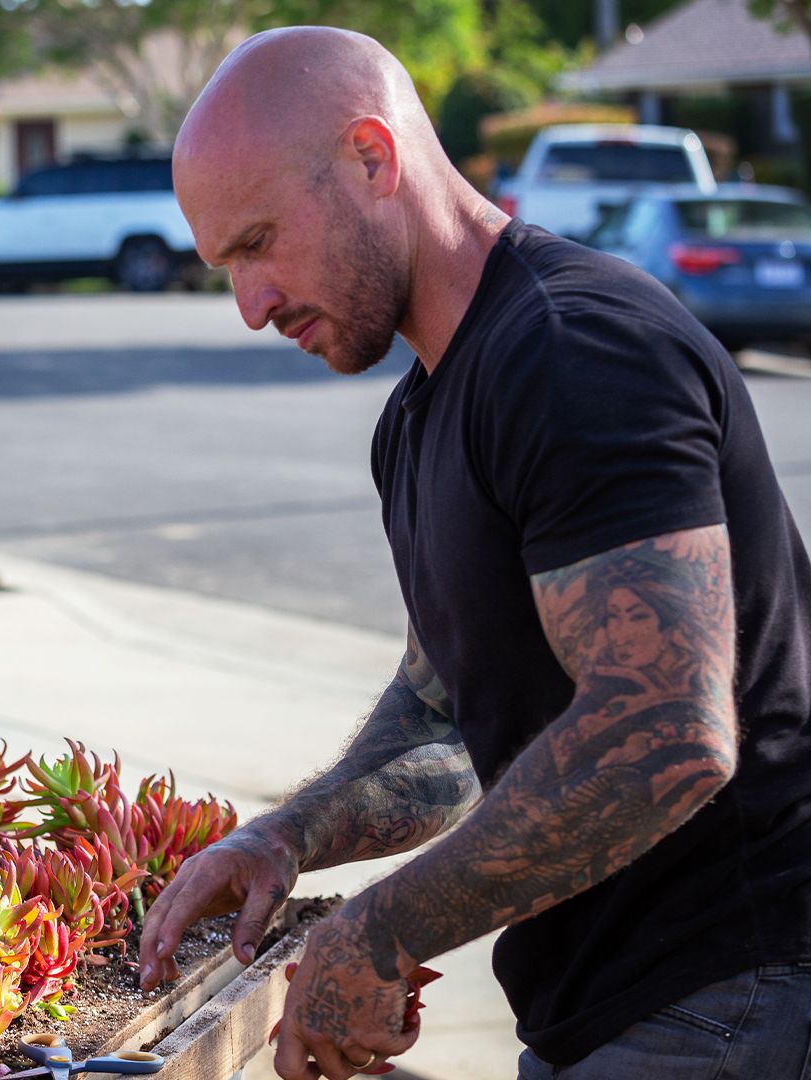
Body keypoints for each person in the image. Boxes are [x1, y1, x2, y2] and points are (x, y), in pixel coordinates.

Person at [138, 27, 811, 1080]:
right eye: (227, 265)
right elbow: (446, 721)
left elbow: (669, 729)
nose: (252, 306)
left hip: (742, 993)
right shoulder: (418, 420)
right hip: (607, 1010)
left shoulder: (574, 353)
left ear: (373, 156)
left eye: (260, 241)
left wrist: (379, 931)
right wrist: (284, 838)